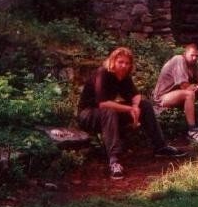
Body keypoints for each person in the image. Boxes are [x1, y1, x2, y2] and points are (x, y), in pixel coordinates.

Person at [78, 46, 187, 179]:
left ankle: (160, 147)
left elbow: (136, 95)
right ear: (113, 61)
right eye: (120, 62)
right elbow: (103, 103)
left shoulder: (124, 76)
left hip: (106, 113)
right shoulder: (103, 73)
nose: (124, 66)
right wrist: (130, 109)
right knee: (109, 110)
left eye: (127, 63)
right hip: (88, 115)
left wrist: (135, 106)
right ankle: (114, 161)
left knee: (145, 105)